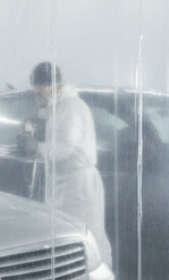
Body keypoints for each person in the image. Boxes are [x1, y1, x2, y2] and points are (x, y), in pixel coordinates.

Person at [27, 62, 111, 266]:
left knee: (85, 235)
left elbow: (65, 149)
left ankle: (97, 278)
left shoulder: (72, 108)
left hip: (78, 186)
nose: (39, 98)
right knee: (66, 236)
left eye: (41, 93)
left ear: (54, 87)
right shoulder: (59, 107)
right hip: (66, 183)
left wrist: (37, 147)